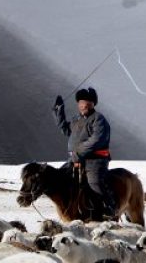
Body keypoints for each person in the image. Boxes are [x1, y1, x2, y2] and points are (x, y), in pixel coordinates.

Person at [53, 87, 115, 218]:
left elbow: (97, 140)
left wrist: (78, 152)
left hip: (95, 160)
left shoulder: (98, 119)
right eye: (81, 102)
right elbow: (66, 130)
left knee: (94, 182)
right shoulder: (76, 119)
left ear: (93, 104)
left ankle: (109, 207)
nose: (84, 105)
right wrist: (59, 111)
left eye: (87, 103)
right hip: (76, 159)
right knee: (59, 177)